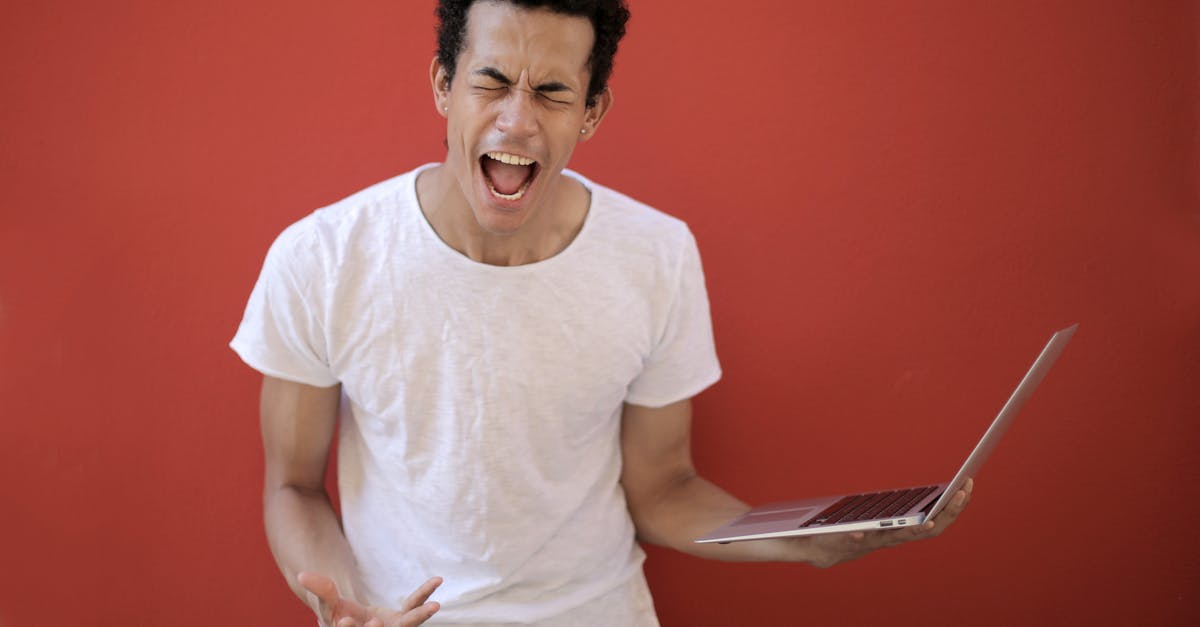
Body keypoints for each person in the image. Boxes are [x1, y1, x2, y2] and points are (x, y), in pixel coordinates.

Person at [230, 1, 974, 625]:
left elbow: (662, 488)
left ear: (590, 113)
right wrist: (348, 602)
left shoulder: (657, 254)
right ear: (442, 86)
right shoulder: (323, 257)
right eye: (490, 82)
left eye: (551, 92)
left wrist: (806, 544)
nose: (517, 121)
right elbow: (292, 485)